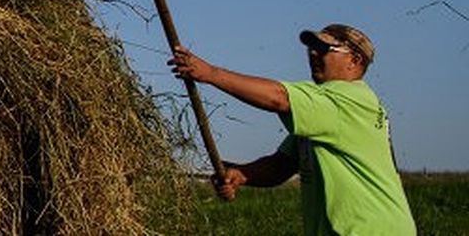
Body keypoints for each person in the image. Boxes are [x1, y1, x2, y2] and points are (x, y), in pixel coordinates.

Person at [169, 24, 415, 236]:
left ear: (354, 60)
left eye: (324, 49)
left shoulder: (350, 99)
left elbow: (279, 98)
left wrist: (211, 74)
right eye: (311, 48)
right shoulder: (324, 112)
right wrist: (242, 174)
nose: (313, 54)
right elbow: (281, 165)